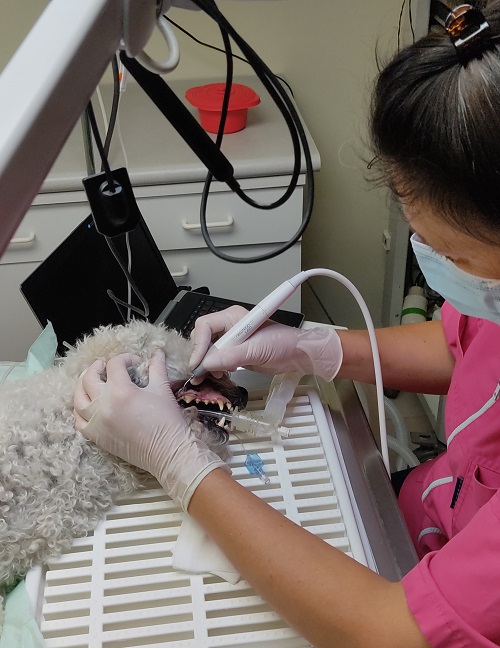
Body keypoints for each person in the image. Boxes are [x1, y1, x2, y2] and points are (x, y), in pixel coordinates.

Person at [73, 2, 500, 646]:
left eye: (458, 257)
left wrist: (180, 463)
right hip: (430, 510)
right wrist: (317, 348)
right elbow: (464, 345)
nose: (439, 268)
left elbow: (386, 630)